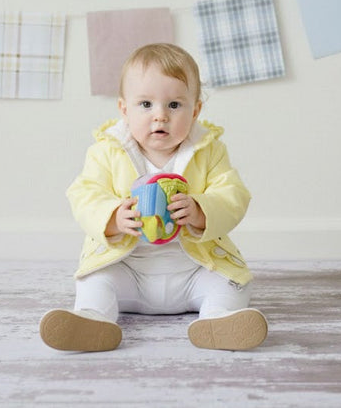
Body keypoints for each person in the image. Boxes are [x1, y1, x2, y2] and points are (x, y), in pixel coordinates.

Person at [40, 43, 267, 352]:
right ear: (124, 109)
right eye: (146, 104)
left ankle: (219, 319)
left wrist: (201, 209)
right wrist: (112, 217)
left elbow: (233, 194)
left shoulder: (209, 150)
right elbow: (84, 193)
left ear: (196, 110)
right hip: (128, 269)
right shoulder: (107, 151)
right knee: (96, 281)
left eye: (174, 105)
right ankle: (92, 319)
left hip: (193, 269)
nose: (160, 116)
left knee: (229, 284)